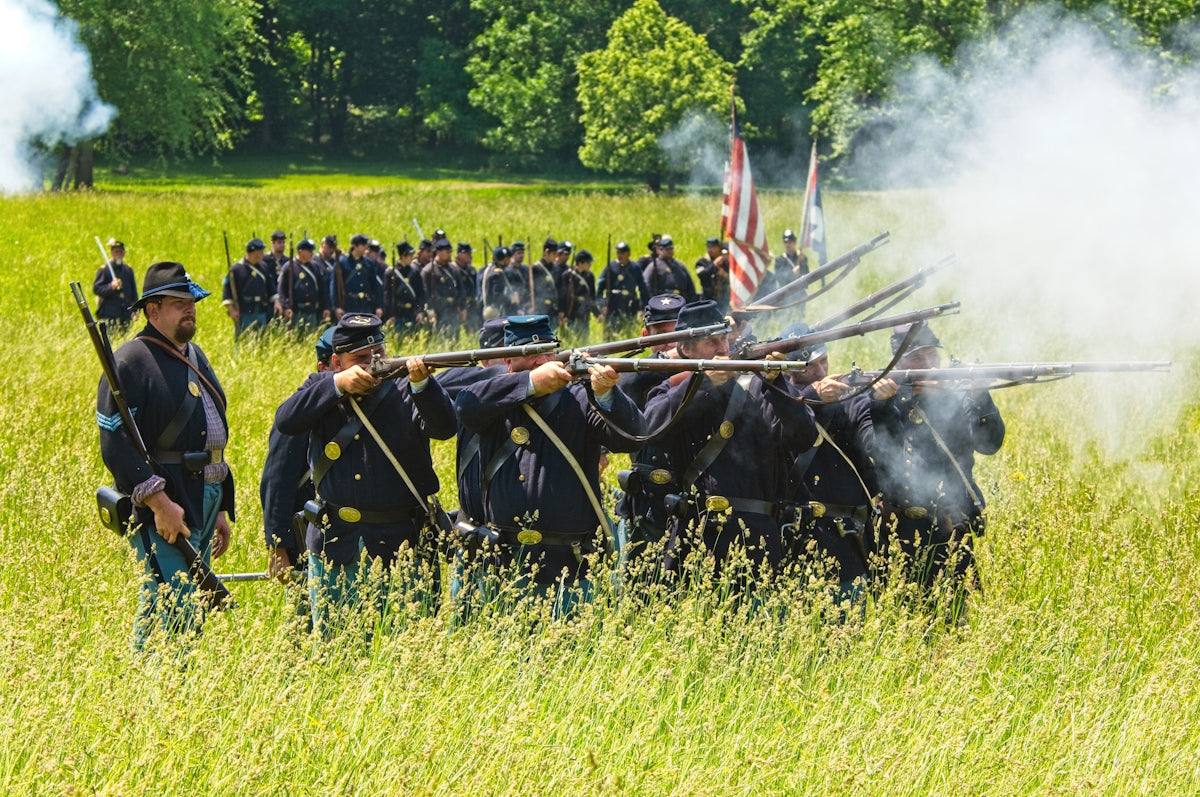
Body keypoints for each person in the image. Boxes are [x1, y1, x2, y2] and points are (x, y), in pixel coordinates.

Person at [274, 313, 457, 632]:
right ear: (337, 361)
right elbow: (286, 420)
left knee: (412, 652)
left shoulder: (406, 386)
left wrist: (424, 385)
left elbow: (445, 428)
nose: (374, 363)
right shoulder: (322, 388)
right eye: (360, 359)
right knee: (338, 652)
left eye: (379, 355)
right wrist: (336, 385)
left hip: (405, 543)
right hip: (340, 542)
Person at [454, 315, 646, 616]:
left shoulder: (581, 397)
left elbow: (632, 437)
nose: (540, 361)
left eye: (546, 353)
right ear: (508, 359)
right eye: (530, 355)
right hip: (505, 562)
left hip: (570, 561)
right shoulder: (495, 398)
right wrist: (530, 383)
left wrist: (608, 392)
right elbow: (466, 405)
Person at [97, 261, 234, 648]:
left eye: (190, 300)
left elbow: (211, 439)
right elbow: (115, 443)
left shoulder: (196, 354)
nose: (189, 308)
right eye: (177, 303)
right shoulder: (130, 361)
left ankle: (167, 686)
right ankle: (160, 689)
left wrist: (220, 505)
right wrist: (159, 503)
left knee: (184, 605)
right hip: (166, 502)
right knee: (171, 602)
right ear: (152, 311)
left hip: (204, 496)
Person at [645, 300, 816, 586]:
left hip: (757, 538)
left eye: (723, 339)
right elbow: (652, 429)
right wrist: (703, 385)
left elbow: (803, 437)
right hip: (696, 536)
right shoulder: (677, 387)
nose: (722, 349)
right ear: (687, 350)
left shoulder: (760, 384)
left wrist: (778, 383)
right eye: (711, 342)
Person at [872, 323, 1004, 605]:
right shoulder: (886, 397)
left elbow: (989, 444)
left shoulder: (957, 394)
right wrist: (907, 398)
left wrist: (979, 394)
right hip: (895, 530)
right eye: (917, 359)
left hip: (950, 525)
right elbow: (879, 445)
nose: (929, 364)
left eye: (932, 356)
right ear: (898, 363)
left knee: (955, 619)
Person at [778, 322, 896, 607]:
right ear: (789, 371)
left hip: (846, 537)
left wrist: (881, 405)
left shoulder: (849, 400)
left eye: (823, 362)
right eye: (810, 366)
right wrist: (813, 399)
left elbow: (876, 447)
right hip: (794, 536)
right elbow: (785, 435)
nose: (820, 372)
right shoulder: (776, 401)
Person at [613, 294, 686, 569]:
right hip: (644, 502)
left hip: (689, 500)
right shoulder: (637, 372)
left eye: (677, 332)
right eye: (660, 333)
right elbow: (623, 387)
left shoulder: (707, 370)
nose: (669, 340)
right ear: (645, 335)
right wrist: (670, 359)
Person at [261, 327, 336, 584]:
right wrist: (277, 547)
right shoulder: (300, 410)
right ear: (322, 367)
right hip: (307, 533)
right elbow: (277, 482)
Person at [222, 237, 276, 336]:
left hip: (260, 310)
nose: (263, 254)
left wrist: (276, 302)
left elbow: (271, 287)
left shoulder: (263, 267)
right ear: (254, 252)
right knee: (243, 339)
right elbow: (227, 291)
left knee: (262, 340)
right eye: (260, 251)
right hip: (244, 311)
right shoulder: (236, 269)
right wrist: (231, 310)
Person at [277, 238, 331, 331]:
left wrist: (326, 307)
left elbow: (322, 289)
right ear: (300, 251)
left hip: (311, 311)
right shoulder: (288, 267)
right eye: (309, 251)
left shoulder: (315, 267)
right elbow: (281, 290)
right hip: (295, 311)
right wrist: (285, 307)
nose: (312, 253)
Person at [597, 241, 650, 332]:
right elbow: (600, 288)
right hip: (613, 305)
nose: (620, 255)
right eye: (618, 253)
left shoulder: (635, 268)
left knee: (629, 334)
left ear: (628, 253)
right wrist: (602, 305)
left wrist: (644, 308)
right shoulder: (610, 267)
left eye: (622, 253)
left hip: (630, 306)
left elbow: (643, 289)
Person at [330, 233, 383, 320]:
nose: (366, 248)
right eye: (363, 245)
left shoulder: (368, 263)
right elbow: (334, 286)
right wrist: (336, 307)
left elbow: (375, 286)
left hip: (365, 306)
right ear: (355, 246)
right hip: (348, 306)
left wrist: (378, 306)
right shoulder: (342, 262)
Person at [92, 238, 138, 328]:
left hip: (126, 313)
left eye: (120, 252)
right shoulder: (104, 269)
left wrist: (135, 309)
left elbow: (134, 291)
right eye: (116, 252)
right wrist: (111, 287)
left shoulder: (128, 270)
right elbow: (96, 288)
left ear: (124, 253)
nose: (118, 255)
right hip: (110, 313)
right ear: (112, 253)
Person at [422, 238, 462, 337]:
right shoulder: (428, 271)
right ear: (439, 252)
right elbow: (426, 294)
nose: (449, 254)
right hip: (438, 312)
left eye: (450, 252)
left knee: (454, 339)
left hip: (452, 310)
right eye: (447, 252)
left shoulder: (454, 270)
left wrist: (463, 308)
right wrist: (430, 311)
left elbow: (461, 290)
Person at [558, 249, 599, 343]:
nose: (590, 265)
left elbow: (592, 297)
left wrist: (597, 313)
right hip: (571, 315)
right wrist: (562, 312)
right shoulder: (567, 275)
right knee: (569, 342)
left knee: (584, 343)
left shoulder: (590, 276)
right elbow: (563, 296)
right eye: (588, 262)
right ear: (581, 262)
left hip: (584, 315)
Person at [384, 241, 426, 332]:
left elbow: (420, 293)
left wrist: (420, 311)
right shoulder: (391, 273)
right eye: (410, 255)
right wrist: (391, 315)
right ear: (403, 256)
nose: (412, 258)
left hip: (412, 314)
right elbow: (388, 296)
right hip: (397, 314)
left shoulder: (415, 272)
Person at [642, 235, 697, 302]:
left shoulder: (680, 265)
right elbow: (646, 286)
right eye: (667, 249)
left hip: (681, 300)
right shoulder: (653, 266)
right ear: (661, 250)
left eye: (671, 249)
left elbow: (690, 286)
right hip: (662, 302)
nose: (670, 251)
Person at [479, 245, 521, 320]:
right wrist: (511, 299)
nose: (509, 261)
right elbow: (497, 296)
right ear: (504, 259)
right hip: (494, 310)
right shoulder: (498, 273)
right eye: (508, 258)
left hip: (488, 308)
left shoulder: (490, 269)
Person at [695, 237, 731, 313]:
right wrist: (714, 265)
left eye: (713, 247)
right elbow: (702, 274)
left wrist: (725, 275)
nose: (710, 250)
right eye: (708, 247)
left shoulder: (726, 263)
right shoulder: (702, 262)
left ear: (719, 248)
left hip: (724, 300)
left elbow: (734, 279)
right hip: (708, 300)